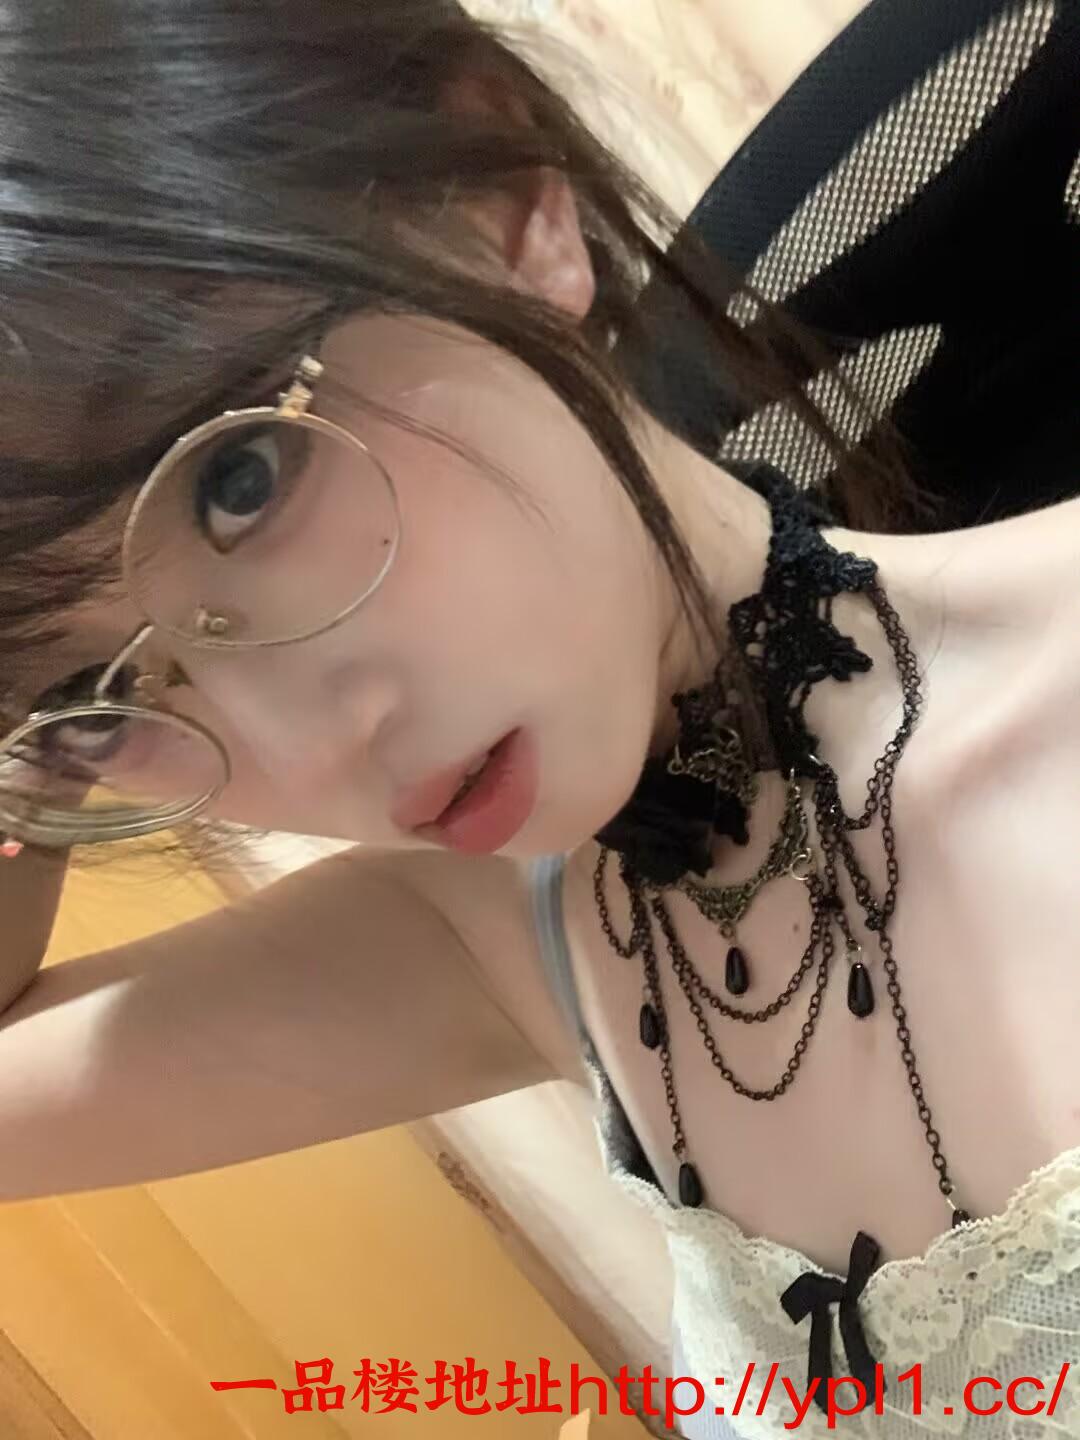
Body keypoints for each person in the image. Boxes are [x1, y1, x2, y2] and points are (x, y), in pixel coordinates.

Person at [0, 4, 1076, 1436]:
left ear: (502, 204)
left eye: (240, 482)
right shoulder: (516, 938)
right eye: (92, 701)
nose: (306, 757)